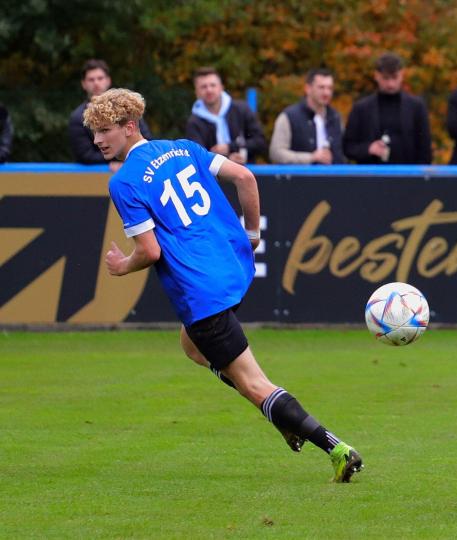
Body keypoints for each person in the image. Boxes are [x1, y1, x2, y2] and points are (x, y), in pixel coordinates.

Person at [85, 88, 362, 482]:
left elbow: (149, 251)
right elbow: (245, 177)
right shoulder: (182, 148)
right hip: (232, 269)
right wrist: (252, 233)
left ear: (129, 128)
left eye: (105, 130)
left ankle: (334, 446)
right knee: (192, 346)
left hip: (200, 289)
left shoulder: (124, 181)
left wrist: (121, 266)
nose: (98, 140)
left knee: (253, 383)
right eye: (94, 133)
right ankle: (279, 410)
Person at [343, 53, 432, 164]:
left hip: (408, 176)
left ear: (402, 75)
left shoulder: (416, 107)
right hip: (371, 176)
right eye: (385, 78)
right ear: (376, 76)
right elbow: (348, 147)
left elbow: (425, 150)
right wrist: (368, 149)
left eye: (395, 77)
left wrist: (418, 177)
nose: (390, 84)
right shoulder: (361, 108)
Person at [68, 59, 153, 171]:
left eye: (100, 78)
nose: (96, 83)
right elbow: (85, 155)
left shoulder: (127, 108)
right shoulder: (78, 117)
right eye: (91, 79)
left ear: (108, 80)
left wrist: (124, 159)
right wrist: (115, 159)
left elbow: (145, 138)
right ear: (83, 84)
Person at [186, 67, 267, 165]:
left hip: (249, 171)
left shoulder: (241, 109)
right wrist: (227, 160)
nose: (209, 90)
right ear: (196, 92)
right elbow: (197, 156)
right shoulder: (194, 122)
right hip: (214, 178)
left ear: (221, 87)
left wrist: (231, 147)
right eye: (203, 86)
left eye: (213, 85)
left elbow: (260, 143)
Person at [269, 68, 346, 164]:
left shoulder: (336, 117)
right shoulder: (289, 116)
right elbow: (276, 153)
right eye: (321, 87)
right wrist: (310, 158)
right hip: (298, 178)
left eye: (330, 88)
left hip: (334, 178)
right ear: (308, 89)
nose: (327, 93)